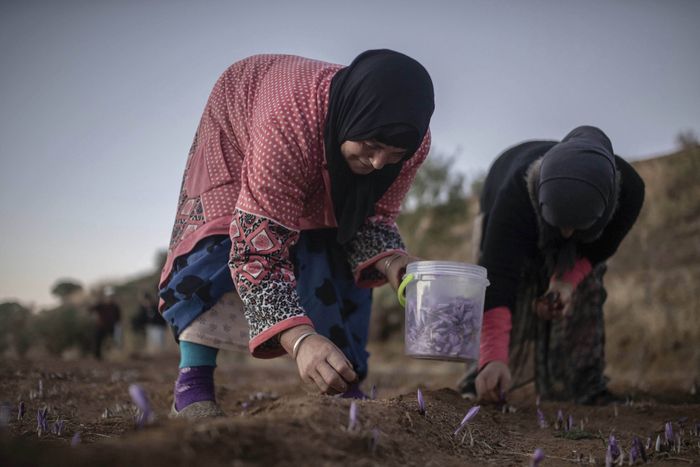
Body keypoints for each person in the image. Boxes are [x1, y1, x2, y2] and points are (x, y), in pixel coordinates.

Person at [159, 50, 435, 419]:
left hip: (303, 139)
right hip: (243, 125)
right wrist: (300, 339)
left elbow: (372, 218)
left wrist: (395, 263)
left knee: (331, 243)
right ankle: (193, 383)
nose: (379, 163)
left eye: (393, 153)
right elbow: (256, 253)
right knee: (223, 240)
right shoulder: (286, 127)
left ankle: (339, 376)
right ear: (350, 118)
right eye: (370, 147)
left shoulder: (412, 145)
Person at [458, 126, 645, 405]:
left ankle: (581, 385)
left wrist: (565, 282)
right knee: (504, 295)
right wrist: (493, 356)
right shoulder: (515, 195)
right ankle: (482, 379)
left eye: (576, 226)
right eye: (560, 225)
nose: (567, 234)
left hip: (578, 229)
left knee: (588, 287)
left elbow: (600, 249)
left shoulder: (629, 192)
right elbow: (497, 278)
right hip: (507, 204)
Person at [89, 287, 122, 360]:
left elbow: (118, 319)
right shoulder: (100, 305)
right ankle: (97, 357)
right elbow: (91, 309)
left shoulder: (115, 306)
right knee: (97, 340)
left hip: (111, 327)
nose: (110, 298)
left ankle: (116, 354)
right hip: (101, 327)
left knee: (117, 340)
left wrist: (118, 328)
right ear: (106, 297)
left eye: (111, 296)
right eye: (109, 296)